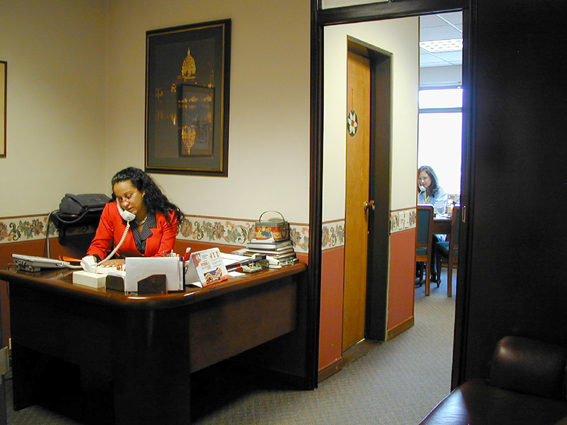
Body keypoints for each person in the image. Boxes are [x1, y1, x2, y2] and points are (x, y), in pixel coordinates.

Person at [85, 167, 184, 267]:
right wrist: (93, 257)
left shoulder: (167, 216)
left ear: (143, 191)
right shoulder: (111, 211)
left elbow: (163, 258)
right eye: (120, 199)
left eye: (128, 196)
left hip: (153, 270)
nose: (124, 204)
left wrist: (127, 262)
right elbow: (100, 244)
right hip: (118, 270)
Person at [417, 165, 447, 283]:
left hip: (436, 230)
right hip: (422, 230)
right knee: (422, 236)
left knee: (432, 238)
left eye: (425, 178)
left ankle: (433, 272)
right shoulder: (420, 194)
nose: (422, 181)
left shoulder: (440, 192)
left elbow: (439, 210)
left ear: (432, 178)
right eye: (420, 179)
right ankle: (417, 270)